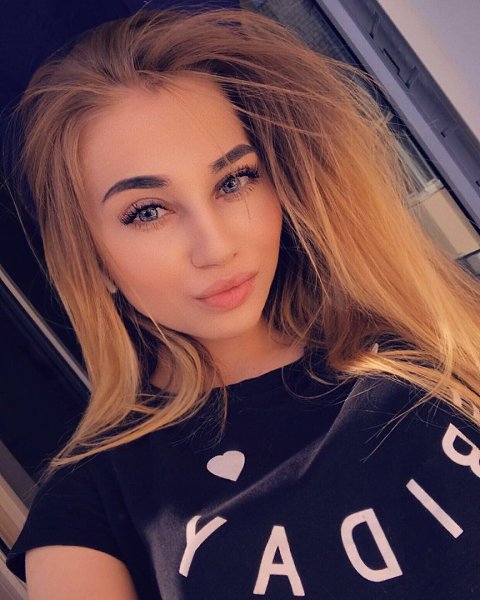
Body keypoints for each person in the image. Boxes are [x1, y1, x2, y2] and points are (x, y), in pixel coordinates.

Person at [5, 6, 480, 599]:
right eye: (147, 211)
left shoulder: (438, 331)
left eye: (233, 181)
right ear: (92, 257)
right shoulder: (90, 513)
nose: (217, 247)